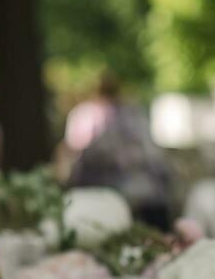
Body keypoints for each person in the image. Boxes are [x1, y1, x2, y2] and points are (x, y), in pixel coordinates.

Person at [62, 73, 173, 229]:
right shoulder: (133, 113)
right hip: (132, 191)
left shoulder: (84, 114)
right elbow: (152, 154)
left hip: (102, 192)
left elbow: (74, 152)